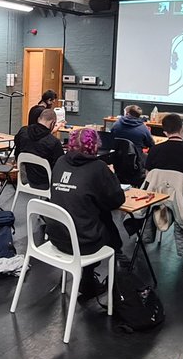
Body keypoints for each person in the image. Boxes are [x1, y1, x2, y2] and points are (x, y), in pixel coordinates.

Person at [47, 128, 125, 299]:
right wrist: (111, 176)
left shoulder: (60, 161)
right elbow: (117, 200)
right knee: (108, 228)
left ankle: (88, 281)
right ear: (95, 146)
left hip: (57, 236)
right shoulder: (99, 168)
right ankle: (118, 286)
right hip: (82, 243)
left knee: (86, 216)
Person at [13, 107, 64, 189]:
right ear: (53, 123)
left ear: (38, 119)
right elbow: (59, 166)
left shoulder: (23, 131)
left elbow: (17, 152)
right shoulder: (53, 142)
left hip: (26, 177)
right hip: (46, 182)